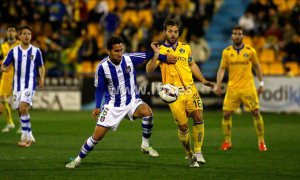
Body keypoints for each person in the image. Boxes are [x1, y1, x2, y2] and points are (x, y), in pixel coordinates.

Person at [66, 36, 176, 168]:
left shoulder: (129, 58)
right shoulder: (102, 67)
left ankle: (145, 144)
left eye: (121, 50)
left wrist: (165, 57)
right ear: (108, 51)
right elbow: (99, 89)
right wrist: (97, 106)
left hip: (132, 101)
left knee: (147, 112)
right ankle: (77, 159)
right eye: (116, 51)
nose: (120, 54)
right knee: (97, 137)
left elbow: (149, 54)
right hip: (113, 106)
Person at [146, 19, 215, 168]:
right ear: (164, 32)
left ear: (179, 33)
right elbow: (149, 69)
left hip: (190, 89)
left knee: (199, 116)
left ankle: (198, 151)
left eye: (175, 31)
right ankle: (190, 155)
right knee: (183, 127)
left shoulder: (186, 47)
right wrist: (156, 54)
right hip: (173, 94)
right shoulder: (161, 50)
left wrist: (203, 80)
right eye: (170, 31)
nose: (173, 34)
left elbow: (192, 64)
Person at [214, 25, 267, 151]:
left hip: (247, 87)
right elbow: (222, 69)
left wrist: (261, 83)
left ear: (243, 36)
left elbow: (257, 67)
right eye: (235, 34)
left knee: (255, 112)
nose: (237, 36)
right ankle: (227, 141)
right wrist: (218, 83)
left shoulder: (250, 51)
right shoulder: (226, 52)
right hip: (232, 88)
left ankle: (261, 141)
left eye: (239, 34)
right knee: (226, 114)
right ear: (232, 36)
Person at [1, 26, 45, 147]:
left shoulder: (36, 51)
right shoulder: (13, 51)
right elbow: (3, 65)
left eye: (29, 34)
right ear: (19, 36)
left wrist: (42, 78)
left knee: (23, 108)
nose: (27, 36)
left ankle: (25, 137)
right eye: (24, 34)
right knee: (20, 112)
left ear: (31, 36)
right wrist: (5, 69)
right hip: (16, 86)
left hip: (29, 85)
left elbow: (41, 66)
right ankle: (30, 135)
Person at [0, 25, 20, 133]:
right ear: (7, 33)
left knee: (19, 104)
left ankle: (23, 125)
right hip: (5, 77)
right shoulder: (2, 46)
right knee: (3, 98)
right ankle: (10, 122)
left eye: (13, 31)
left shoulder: (20, 45)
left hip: (17, 77)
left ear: (16, 33)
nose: (11, 33)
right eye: (9, 31)